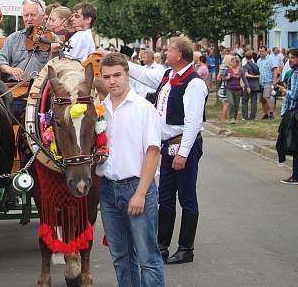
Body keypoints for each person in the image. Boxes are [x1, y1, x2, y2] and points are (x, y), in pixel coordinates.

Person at [127, 37, 208, 264]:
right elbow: (142, 75)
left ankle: (186, 248)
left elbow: (192, 123)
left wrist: (183, 153)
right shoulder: (168, 76)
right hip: (167, 144)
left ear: (179, 55)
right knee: (165, 197)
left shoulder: (194, 83)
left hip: (184, 145)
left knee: (187, 197)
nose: (165, 52)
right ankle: (161, 245)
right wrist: (119, 63)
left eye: (169, 49)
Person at [97, 52, 165, 286]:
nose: (112, 81)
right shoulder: (99, 110)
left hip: (136, 188)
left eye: (117, 75)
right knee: (121, 258)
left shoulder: (144, 108)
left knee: (148, 258)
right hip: (107, 191)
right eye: (107, 77)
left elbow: (153, 152)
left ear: (127, 74)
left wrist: (141, 193)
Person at [277, 49, 298, 184]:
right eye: (289, 58)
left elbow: (295, 95)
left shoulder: (297, 73)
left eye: (292, 58)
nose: (289, 60)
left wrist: (284, 90)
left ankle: (296, 176)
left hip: (294, 112)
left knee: (295, 144)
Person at [0, 0, 50, 82]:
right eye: (26, 15)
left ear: (43, 15)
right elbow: (1, 61)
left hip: (40, 87)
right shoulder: (13, 38)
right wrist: (12, 70)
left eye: (33, 15)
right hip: (16, 84)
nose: (29, 19)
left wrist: (54, 52)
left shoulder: (51, 37)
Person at [222, 55, 249, 124]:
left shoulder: (240, 71)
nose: (231, 63)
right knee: (231, 103)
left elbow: (245, 79)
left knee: (236, 105)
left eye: (233, 62)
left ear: (237, 63)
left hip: (238, 89)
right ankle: (231, 118)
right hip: (229, 89)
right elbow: (223, 78)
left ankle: (234, 117)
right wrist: (226, 78)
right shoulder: (228, 70)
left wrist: (248, 87)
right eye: (231, 62)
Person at [256, 46, 278, 119]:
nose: (260, 53)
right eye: (260, 51)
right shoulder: (259, 60)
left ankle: (271, 113)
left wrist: (274, 81)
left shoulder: (271, 59)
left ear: (266, 51)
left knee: (266, 97)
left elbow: (275, 70)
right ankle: (265, 114)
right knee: (262, 99)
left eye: (262, 51)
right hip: (261, 82)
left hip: (268, 81)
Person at [242, 51, 261, 120]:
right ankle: (252, 116)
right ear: (252, 57)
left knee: (244, 100)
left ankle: (245, 116)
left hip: (248, 85)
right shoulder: (256, 65)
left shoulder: (245, 66)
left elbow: (246, 74)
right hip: (256, 85)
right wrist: (256, 77)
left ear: (245, 58)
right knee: (254, 101)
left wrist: (253, 76)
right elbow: (259, 74)